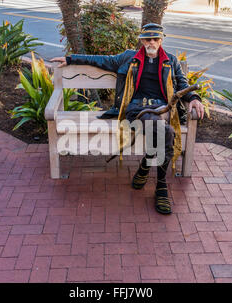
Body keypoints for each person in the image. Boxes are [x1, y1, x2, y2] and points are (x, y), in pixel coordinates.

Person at [50, 23, 205, 215]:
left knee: (162, 129)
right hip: (135, 108)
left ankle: (147, 168)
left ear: (161, 40)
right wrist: (70, 59)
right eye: (148, 39)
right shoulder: (128, 58)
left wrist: (195, 99)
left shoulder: (170, 61)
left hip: (162, 108)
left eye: (156, 39)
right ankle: (161, 186)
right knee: (165, 131)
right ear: (141, 40)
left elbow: (182, 83)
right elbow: (100, 60)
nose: (152, 42)